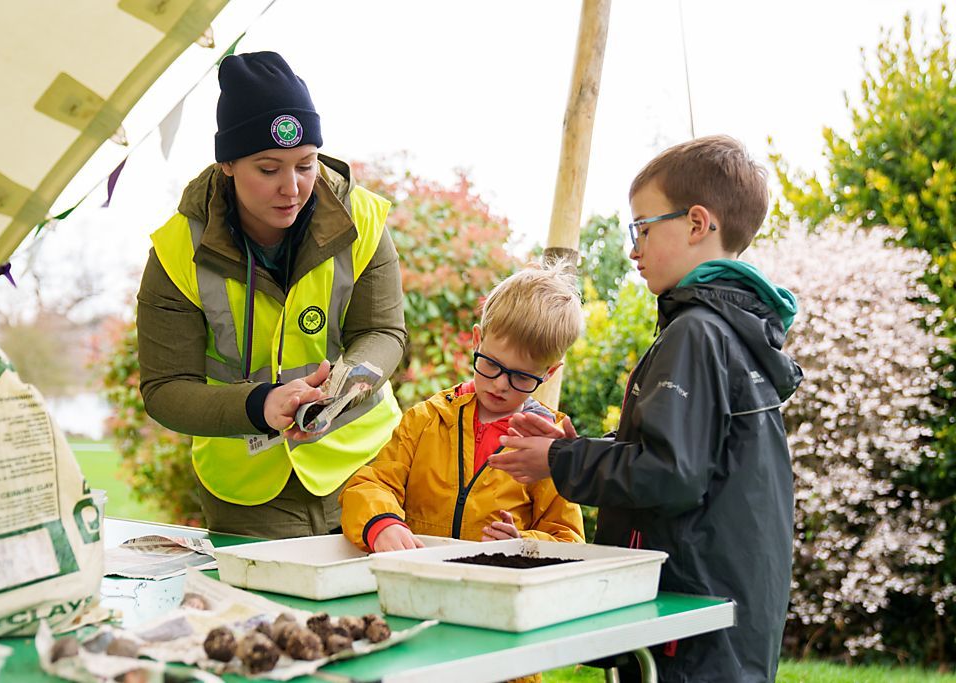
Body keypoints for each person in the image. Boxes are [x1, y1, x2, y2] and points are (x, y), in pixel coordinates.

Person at [490, 135, 803, 683]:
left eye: (642, 226)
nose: (633, 248)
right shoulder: (731, 330)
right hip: (725, 615)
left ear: (697, 223)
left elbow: (671, 475)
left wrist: (557, 462)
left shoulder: (696, 333)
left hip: (687, 628)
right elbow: (685, 457)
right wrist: (572, 445)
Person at [136, 52, 406, 539]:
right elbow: (164, 389)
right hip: (248, 492)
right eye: (268, 169)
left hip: (369, 467)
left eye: (306, 165)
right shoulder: (176, 250)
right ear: (228, 165)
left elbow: (383, 331)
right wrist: (260, 406)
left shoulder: (365, 219)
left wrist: (342, 386)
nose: (292, 188)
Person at [339, 263, 586, 554]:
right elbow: (369, 485)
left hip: (496, 590)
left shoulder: (549, 444)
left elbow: (569, 541)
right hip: (416, 580)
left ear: (549, 373)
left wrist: (523, 545)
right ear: (477, 339)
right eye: (491, 364)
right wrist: (382, 523)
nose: (501, 385)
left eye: (521, 376)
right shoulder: (426, 419)